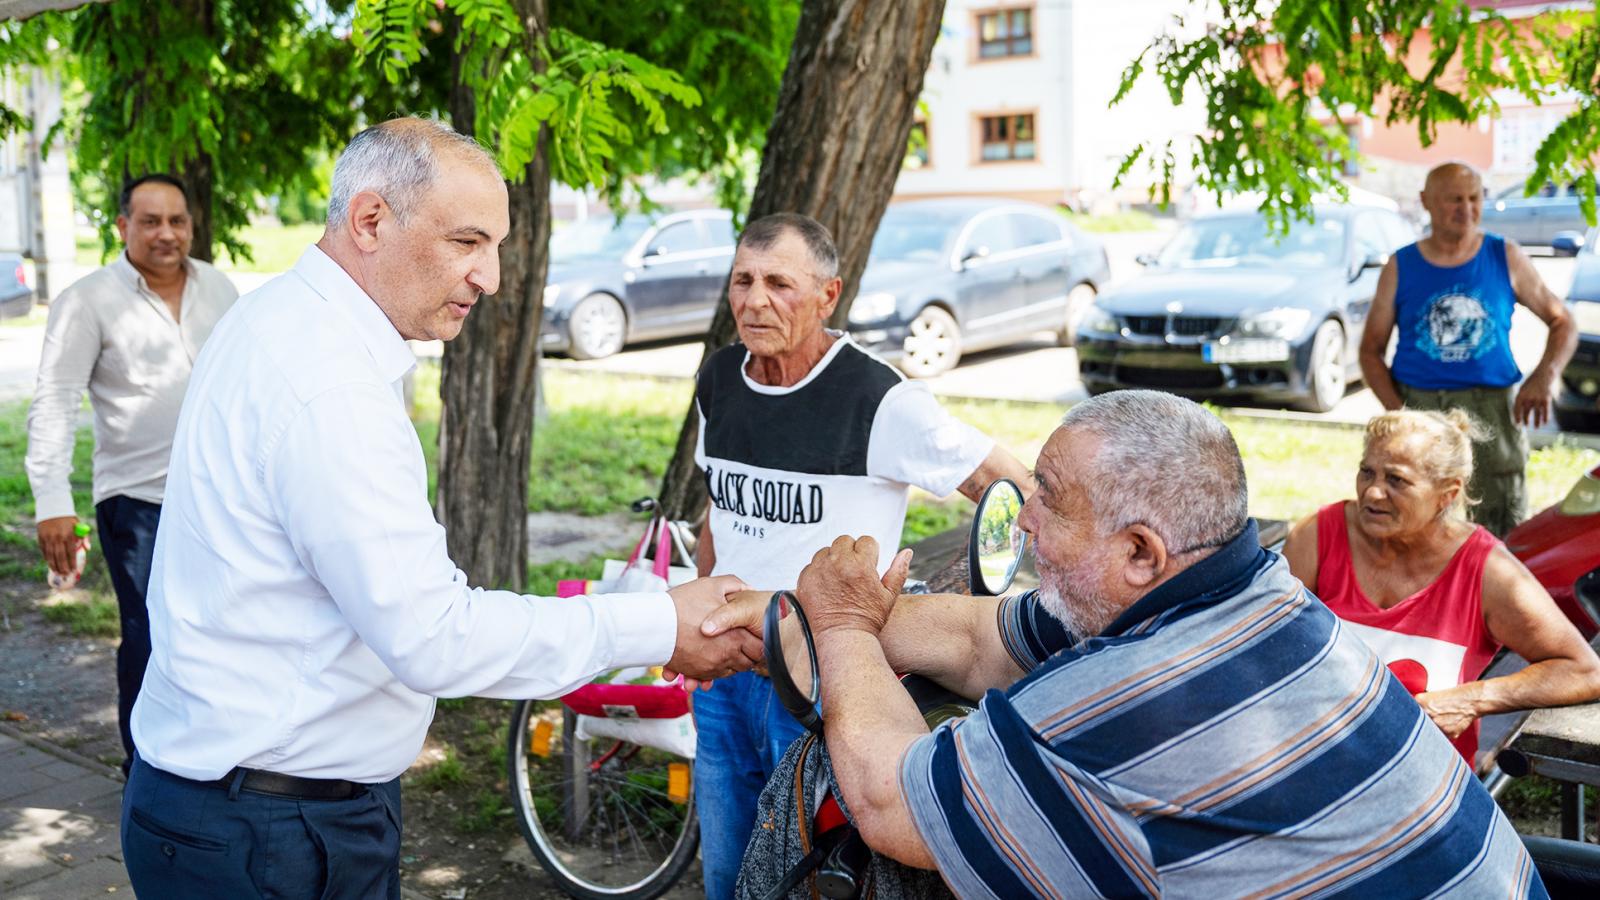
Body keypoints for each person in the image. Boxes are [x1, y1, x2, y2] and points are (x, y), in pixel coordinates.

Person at [120, 118, 761, 899]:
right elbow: (432, 636)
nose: (490, 277)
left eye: (495, 245)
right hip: (267, 829)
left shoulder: (284, 319)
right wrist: (659, 624)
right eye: (466, 242)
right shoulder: (329, 383)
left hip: (260, 804)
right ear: (368, 220)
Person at [708, 390, 1546, 897]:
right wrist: (785, 612)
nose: (1022, 518)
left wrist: (847, 628)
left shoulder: (1121, 706)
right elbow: (977, 639)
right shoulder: (1260, 594)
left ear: (1141, 551)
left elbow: (892, 802)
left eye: (1049, 502)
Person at [690, 212, 1032, 900]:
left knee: (813, 876)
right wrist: (698, 621)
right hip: (726, 672)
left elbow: (1008, 486)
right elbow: (717, 513)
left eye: (779, 283)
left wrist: (997, 567)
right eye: (743, 281)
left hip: (822, 680)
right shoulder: (721, 378)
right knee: (728, 873)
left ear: (828, 294)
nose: (755, 301)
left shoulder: (878, 398)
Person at [25, 174, 237, 775]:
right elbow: (55, 402)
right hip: (137, 502)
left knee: (221, 630)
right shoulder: (86, 301)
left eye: (177, 220)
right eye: (151, 221)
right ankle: (146, 768)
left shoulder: (218, 288)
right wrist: (51, 501)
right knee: (151, 634)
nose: (166, 233)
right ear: (122, 228)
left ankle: (209, 763)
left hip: (219, 500)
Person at [1283, 408, 1600, 766]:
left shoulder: (1485, 569)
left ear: (1447, 494)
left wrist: (1472, 699)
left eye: (1397, 480)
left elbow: (1584, 670)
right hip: (1314, 759)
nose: (1372, 493)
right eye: (1366, 472)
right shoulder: (1318, 535)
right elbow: (1269, 644)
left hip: (1427, 777)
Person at [1359, 161, 1577, 537]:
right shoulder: (1401, 265)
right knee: (1416, 522)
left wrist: (1544, 376)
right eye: (1454, 199)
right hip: (1420, 404)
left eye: (1475, 198)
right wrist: (1400, 413)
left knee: (1501, 529)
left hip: (1491, 408)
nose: (1467, 209)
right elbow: (1370, 351)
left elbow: (1563, 320)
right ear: (1426, 201)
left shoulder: (1503, 255)